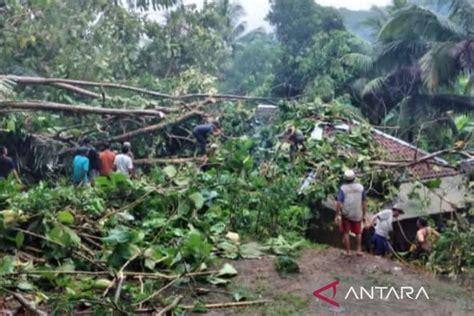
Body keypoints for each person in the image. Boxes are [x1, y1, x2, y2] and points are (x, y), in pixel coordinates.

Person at [335, 170, 367, 256]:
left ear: (345, 179)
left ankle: (348, 252)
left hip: (346, 213)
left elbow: (339, 203)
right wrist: (364, 214)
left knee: (346, 232)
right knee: (358, 232)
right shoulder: (360, 187)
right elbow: (364, 202)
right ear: (354, 178)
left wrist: (337, 214)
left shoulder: (343, 188)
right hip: (357, 213)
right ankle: (358, 250)